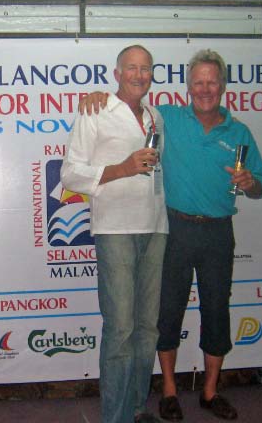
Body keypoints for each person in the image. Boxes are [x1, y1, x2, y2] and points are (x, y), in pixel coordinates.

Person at [80, 48, 262, 421]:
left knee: (217, 309)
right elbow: (128, 103)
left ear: (223, 86)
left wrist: (251, 183)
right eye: (198, 82)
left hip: (219, 231)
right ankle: (168, 391)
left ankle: (210, 392)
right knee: (166, 312)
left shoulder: (239, 132)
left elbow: (261, 185)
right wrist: (98, 96)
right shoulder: (166, 117)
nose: (204, 89)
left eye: (211, 82)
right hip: (175, 228)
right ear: (187, 86)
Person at [61, 45, 168, 423]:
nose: (139, 75)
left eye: (146, 69)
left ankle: (136, 409)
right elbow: (70, 174)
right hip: (116, 230)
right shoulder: (96, 110)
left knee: (147, 330)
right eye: (131, 68)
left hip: (156, 227)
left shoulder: (155, 116)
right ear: (117, 73)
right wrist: (122, 168)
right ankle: (115, 417)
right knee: (121, 329)